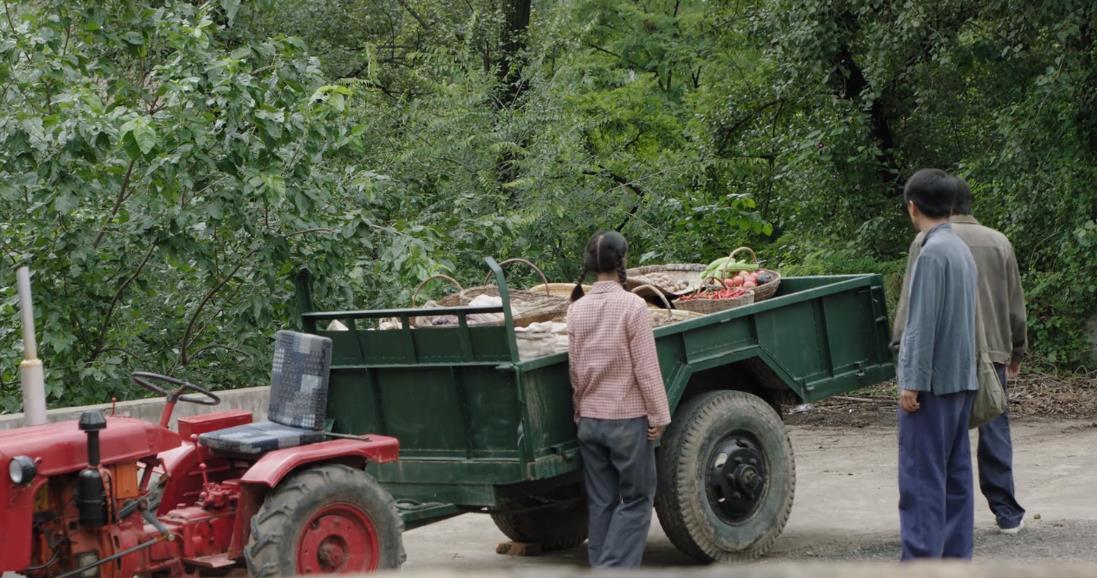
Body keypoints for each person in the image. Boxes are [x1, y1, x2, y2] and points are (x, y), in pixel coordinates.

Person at [892, 175, 1027, 534]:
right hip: (993, 352)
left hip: (943, 358)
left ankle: (935, 526)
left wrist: (901, 351)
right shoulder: (999, 242)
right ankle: (1007, 513)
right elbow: (1015, 304)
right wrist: (1017, 349)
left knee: (941, 444)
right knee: (993, 424)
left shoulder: (927, 242)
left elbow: (912, 304)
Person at [566, 231, 671, 568]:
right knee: (638, 499)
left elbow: (575, 371)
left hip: (590, 423)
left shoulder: (576, 309)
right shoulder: (633, 306)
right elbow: (646, 368)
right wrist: (660, 415)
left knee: (601, 502)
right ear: (622, 262)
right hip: (627, 422)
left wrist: (581, 413)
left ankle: (602, 566)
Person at [895, 169, 980, 560]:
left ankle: (920, 562)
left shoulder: (930, 253)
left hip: (931, 386)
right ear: (951, 205)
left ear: (913, 207)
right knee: (956, 477)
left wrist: (911, 382)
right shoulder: (960, 249)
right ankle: (956, 559)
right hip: (961, 379)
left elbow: (921, 324)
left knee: (921, 480)